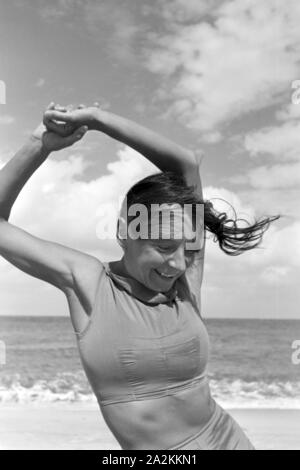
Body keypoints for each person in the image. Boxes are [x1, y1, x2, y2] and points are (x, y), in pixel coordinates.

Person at [0, 102, 280, 450]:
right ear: (124, 233)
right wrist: (38, 144)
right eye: (163, 247)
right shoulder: (89, 282)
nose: (178, 264)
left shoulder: (184, 284)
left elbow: (186, 164)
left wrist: (97, 118)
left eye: (189, 249)